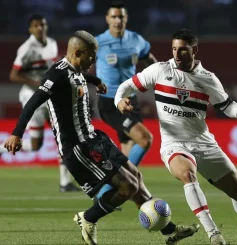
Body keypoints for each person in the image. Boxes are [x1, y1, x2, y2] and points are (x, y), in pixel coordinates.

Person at [3, 30, 199, 245]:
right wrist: (17, 133)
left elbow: (80, 76)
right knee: (127, 188)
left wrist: (95, 80)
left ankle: (169, 231)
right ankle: (88, 218)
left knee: (136, 178)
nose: (94, 60)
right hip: (79, 147)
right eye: (91, 56)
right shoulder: (55, 75)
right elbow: (33, 102)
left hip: (94, 137)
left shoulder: (74, 68)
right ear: (78, 52)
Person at [114, 28, 237, 245]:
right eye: (174, 49)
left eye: (183, 50)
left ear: (194, 50)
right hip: (174, 144)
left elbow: (229, 109)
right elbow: (127, 86)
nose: (177, 55)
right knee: (187, 175)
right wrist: (119, 100)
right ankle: (214, 234)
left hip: (203, 142)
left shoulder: (208, 79)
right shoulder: (160, 70)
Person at [0, 14, 79, 192]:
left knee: (64, 135)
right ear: (30, 29)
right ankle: (2, 149)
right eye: (36, 26)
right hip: (32, 97)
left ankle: (64, 182)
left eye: (42, 25)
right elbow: (14, 75)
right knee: (36, 145)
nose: (40, 28)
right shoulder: (26, 48)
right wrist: (39, 85)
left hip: (51, 96)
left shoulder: (51, 43)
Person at [94, 1, 158, 200]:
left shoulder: (136, 40)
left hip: (131, 101)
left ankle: (104, 195)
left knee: (128, 157)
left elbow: (150, 61)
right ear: (107, 19)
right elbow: (78, 65)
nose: (117, 20)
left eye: (120, 16)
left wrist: (161, 80)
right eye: (113, 17)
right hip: (110, 102)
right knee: (145, 139)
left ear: (126, 18)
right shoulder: (97, 43)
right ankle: (110, 188)